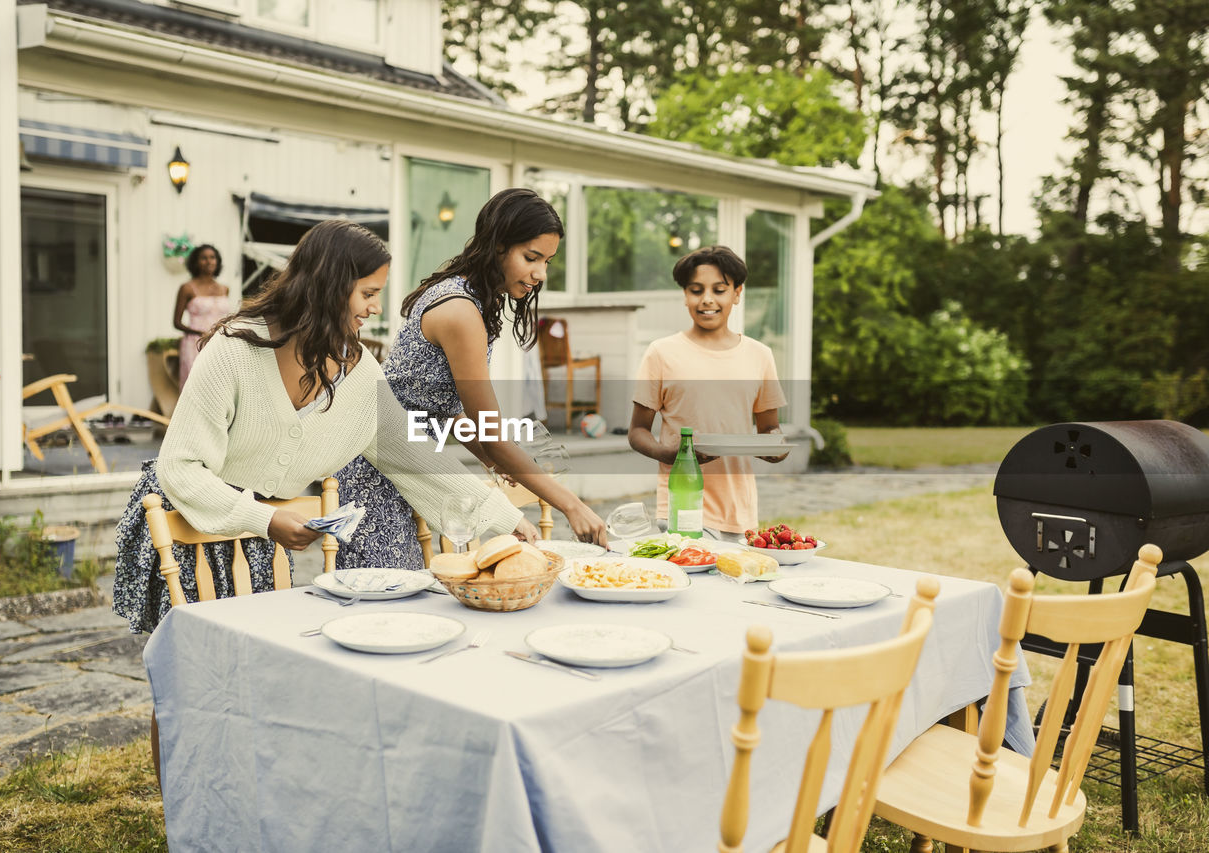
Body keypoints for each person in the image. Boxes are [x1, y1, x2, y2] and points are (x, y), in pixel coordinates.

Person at [114, 220, 535, 634]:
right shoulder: (234, 351)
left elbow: (418, 459)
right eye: (368, 294)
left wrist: (504, 517)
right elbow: (180, 467)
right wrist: (262, 518)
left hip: (260, 539)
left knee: (248, 672)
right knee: (184, 673)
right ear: (328, 287)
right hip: (187, 519)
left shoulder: (358, 372)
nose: (374, 308)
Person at [335, 188, 607, 571]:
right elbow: (489, 432)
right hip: (378, 468)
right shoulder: (461, 310)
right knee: (389, 599)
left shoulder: (472, 299)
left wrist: (491, 460)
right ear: (497, 246)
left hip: (409, 460)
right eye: (531, 258)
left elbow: (435, 411)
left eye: (547, 261)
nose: (540, 274)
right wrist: (573, 505)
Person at [627, 245, 788, 539]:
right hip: (683, 505)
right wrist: (669, 453)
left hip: (740, 511)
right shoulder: (661, 353)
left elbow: (769, 427)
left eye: (719, 289)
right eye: (696, 290)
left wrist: (774, 447)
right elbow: (637, 431)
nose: (707, 300)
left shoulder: (760, 355)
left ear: (737, 293)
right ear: (685, 296)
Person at [172, 244, 231, 390]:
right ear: (195, 262)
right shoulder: (187, 288)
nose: (209, 261)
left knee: (219, 387)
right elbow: (176, 322)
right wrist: (199, 332)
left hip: (219, 344)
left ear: (217, 262)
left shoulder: (224, 289)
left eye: (212, 258)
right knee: (196, 387)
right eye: (203, 258)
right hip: (195, 344)